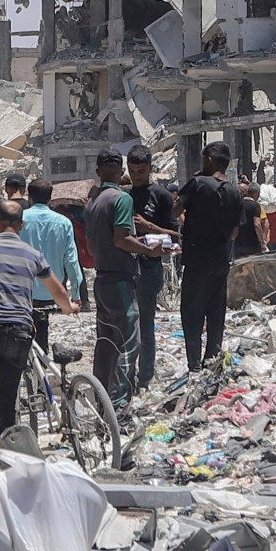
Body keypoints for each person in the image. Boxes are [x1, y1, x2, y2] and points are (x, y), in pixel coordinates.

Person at [0, 200, 76, 435]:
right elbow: (57, 291)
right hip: (19, 330)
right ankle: (7, 447)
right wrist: (68, 307)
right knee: (9, 396)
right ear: (21, 225)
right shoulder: (33, 254)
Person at [83, 152, 158, 405]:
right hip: (120, 280)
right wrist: (150, 249)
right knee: (129, 342)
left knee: (106, 343)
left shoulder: (92, 202)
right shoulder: (122, 199)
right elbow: (121, 238)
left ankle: (101, 401)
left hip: (101, 279)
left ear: (98, 171)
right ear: (121, 171)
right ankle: (119, 404)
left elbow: (92, 246)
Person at [173, 144, 243, 372]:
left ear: (210, 160)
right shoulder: (234, 191)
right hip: (220, 260)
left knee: (192, 313)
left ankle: (194, 365)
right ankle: (212, 362)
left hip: (196, 260)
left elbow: (175, 211)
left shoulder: (198, 184)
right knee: (215, 313)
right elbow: (234, 231)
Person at [125, 148, 177, 390]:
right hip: (124, 268)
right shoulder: (122, 197)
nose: (136, 176)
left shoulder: (162, 196)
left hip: (149, 269)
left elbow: (177, 236)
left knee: (145, 324)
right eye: (132, 171)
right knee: (126, 325)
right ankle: (126, 375)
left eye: (141, 172)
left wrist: (149, 227)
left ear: (150, 169)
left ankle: (144, 376)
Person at [16, 183, 82, 356]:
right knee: (41, 331)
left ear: (29, 197)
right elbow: (72, 260)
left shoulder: (18, 219)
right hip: (50, 291)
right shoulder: (63, 222)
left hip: (21, 290)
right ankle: (40, 374)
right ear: (50, 198)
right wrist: (75, 294)